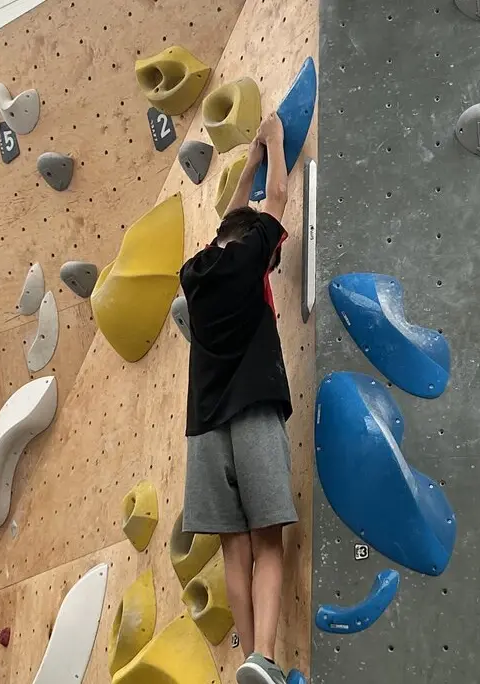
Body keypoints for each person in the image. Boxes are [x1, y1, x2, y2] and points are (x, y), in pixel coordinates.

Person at [178, 113, 295, 684]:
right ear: (256, 246)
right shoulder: (252, 258)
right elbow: (275, 198)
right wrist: (273, 140)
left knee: (234, 551)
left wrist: (245, 160)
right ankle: (264, 659)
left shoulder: (194, 272)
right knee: (268, 541)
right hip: (251, 411)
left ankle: (253, 664)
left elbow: (234, 217)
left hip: (203, 431)